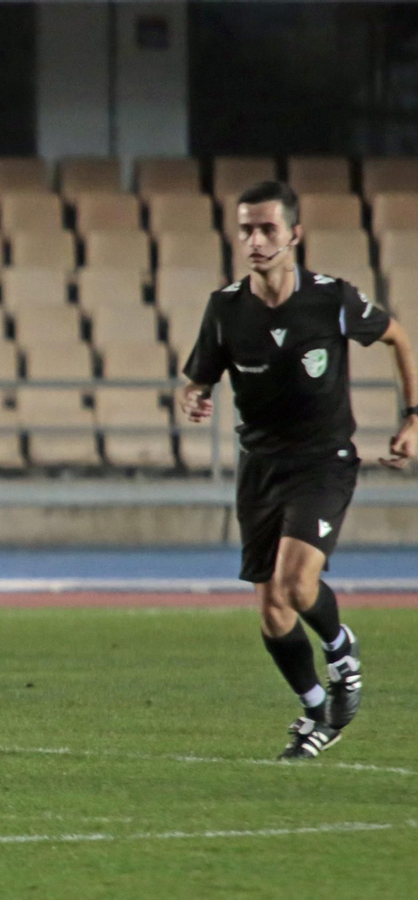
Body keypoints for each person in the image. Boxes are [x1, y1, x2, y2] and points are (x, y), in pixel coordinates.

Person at [178, 180, 418, 760]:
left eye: (267, 229)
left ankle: (342, 651)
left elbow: (397, 337)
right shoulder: (225, 308)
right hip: (259, 466)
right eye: (246, 229)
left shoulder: (331, 299)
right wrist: (192, 396)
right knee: (272, 611)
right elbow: (197, 378)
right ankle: (318, 712)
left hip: (323, 462)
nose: (256, 240)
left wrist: (413, 417)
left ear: (294, 235)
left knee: (297, 584)